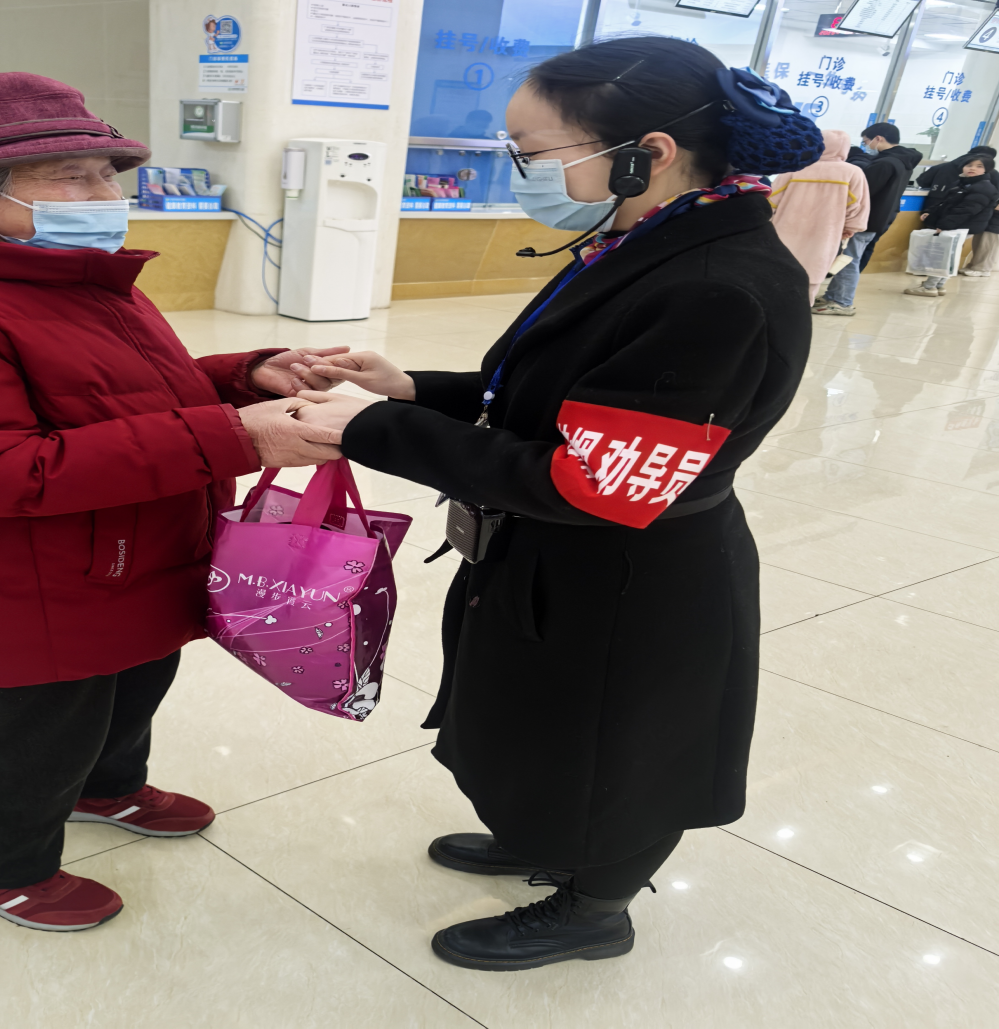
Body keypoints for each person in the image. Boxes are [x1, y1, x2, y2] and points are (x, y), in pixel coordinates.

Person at [0, 73, 346, 932]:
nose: (104, 196)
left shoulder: (52, 270)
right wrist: (237, 437)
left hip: (109, 554)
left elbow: (112, 397)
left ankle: (104, 788)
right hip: (8, 583)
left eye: (108, 173)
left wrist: (241, 378)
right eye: (70, 175)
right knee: (28, 730)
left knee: (131, 680)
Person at [291, 38, 818, 971]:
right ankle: (542, 831)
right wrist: (410, 389)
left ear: (648, 153)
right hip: (554, 551)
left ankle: (595, 906)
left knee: (610, 744)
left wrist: (376, 429)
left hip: (628, 573)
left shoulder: (715, 287)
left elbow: (591, 480)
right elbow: (550, 396)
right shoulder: (648, 239)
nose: (522, 169)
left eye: (534, 151)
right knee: (538, 720)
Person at [815, 122, 922, 314]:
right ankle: (833, 296)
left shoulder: (884, 163)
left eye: (866, 141)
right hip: (879, 218)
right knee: (847, 258)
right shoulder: (902, 161)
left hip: (863, 220)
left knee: (848, 260)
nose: (866, 146)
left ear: (878, 138)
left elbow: (860, 194)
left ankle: (842, 302)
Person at [767, 129, 868, 305]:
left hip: (785, 230)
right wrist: (850, 227)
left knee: (778, 271)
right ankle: (802, 311)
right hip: (825, 233)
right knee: (813, 275)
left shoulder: (794, 168)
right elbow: (857, 205)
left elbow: (771, 200)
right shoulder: (852, 172)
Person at [906, 155, 999, 297]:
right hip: (956, 226)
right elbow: (947, 202)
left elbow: (966, 210)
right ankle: (938, 285)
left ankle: (929, 287)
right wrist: (930, 212)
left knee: (942, 256)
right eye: (969, 165)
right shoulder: (963, 183)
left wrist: (944, 226)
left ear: (987, 169)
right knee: (948, 255)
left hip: (960, 226)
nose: (972, 168)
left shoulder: (983, 187)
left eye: (979, 166)